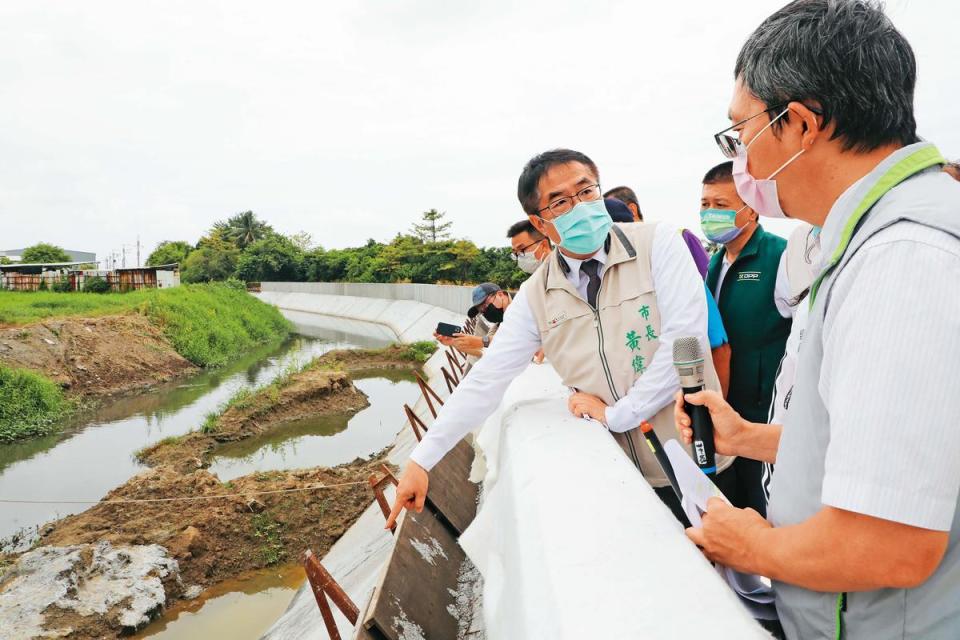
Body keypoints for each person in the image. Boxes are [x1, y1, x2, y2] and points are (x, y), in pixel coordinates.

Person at [675, 2, 960, 637]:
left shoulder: (902, 258)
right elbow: (879, 446)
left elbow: (889, 541)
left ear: (800, 124)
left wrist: (750, 544)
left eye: (739, 131)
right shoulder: (867, 238)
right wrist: (747, 437)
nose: (739, 154)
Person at [388, 148, 738, 529]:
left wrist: (619, 415)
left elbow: (684, 341)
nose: (580, 206)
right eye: (560, 202)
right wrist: (421, 460)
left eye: (587, 191)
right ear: (540, 221)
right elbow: (488, 379)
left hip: (699, 456)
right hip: (622, 475)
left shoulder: (658, 243)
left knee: (732, 577)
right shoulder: (536, 295)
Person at [700, 160, 791, 517]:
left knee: (767, 508)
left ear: (751, 209)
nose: (709, 214)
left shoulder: (780, 256)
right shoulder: (715, 262)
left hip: (764, 417)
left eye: (720, 206)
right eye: (705, 205)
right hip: (725, 411)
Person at [436, 282, 510, 361]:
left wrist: (481, 341)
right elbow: (484, 352)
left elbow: (509, 339)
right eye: (481, 310)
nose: (485, 311)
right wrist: (454, 343)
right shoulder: (499, 324)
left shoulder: (521, 306)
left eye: (486, 305)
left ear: (500, 295)